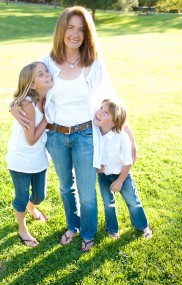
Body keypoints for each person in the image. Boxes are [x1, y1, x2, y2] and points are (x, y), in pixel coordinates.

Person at [10, 6, 137, 252]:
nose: (75, 34)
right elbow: (26, 86)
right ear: (61, 30)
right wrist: (12, 106)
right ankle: (73, 227)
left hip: (86, 135)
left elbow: (111, 97)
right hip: (56, 136)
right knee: (65, 187)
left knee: (87, 191)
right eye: (70, 27)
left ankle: (87, 233)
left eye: (81, 29)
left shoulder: (94, 64)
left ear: (87, 34)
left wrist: (128, 132)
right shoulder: (46, 62)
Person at [7, 62, 53, 247]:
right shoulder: (28, 104)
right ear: (33, 85)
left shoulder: (48, 96)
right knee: (22, 197)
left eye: (47, 71)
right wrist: (48, 119)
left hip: (39, 158)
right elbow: (31, 138)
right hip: (21, 160)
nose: (48, 75)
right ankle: (22, 228)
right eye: (41, 74)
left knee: (40, 195)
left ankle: (32, 208)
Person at [94, 99, 152, 239]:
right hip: (104, 176)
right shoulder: (94, 132)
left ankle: (143, 226)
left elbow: (128, 161)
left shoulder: (121, 137)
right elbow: (94, 152)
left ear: (114, 122)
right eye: (101, 108)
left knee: (133, 200)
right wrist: (97, 165)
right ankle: (112, 229)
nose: (100, 112)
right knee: (108, 203)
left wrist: (120, 181)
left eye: (106, 112)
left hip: (122, 175)